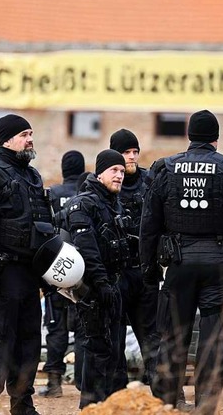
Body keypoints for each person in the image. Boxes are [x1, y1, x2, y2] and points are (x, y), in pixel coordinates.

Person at [140, 110, 223, 411]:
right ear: (216, 140)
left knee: (173, 340)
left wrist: (149, 269)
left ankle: (168, 406)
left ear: (189, 137)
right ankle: (206, 407)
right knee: (213, 343)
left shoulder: (165, 169)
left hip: (179, 264)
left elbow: (149, 225)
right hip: (219, 264)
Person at [0, 114, 53, 415]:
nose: (30, 139)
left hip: (29, 277)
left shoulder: (32, 177)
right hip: (2, 275)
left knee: (29, 344)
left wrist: (47, 274)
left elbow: (43, 228)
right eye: (23, 134)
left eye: (31, 133)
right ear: (6, 139)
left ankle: (22, 406)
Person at [64, 149, 135, 408]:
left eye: (121, 171)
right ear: (100, 173)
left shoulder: (113, 203)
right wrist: (101, 282)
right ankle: (90, 408)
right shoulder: (83, 203)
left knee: (115, 353)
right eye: (113, 171)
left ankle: (110, 408)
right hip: (94, 290)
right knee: (97, 352)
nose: (119, 176)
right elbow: (87, 247)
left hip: (114, 286)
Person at [108, 128, 159, 389]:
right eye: (126, 152)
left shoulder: (150, 181)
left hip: (144, 271)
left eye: (134, 152)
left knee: (152, 336)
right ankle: (117, 397)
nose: (131, 157)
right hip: (116, 274)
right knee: (114, 338)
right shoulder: (106, 183)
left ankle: (165, 396)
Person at [39, 150, 85, 398]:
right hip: (81, 270)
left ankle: (55, 383)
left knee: (55, 327)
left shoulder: (52, 194)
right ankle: (81, 381)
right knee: (82, 327)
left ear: (64, 168)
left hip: (55, 269)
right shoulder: (86, 193)